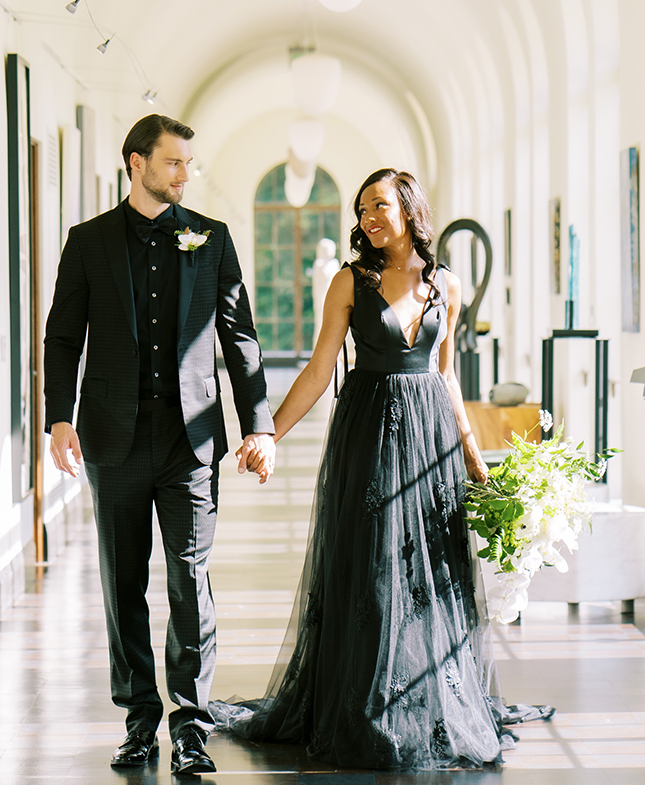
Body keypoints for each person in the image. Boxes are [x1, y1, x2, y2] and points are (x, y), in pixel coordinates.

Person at [213, 168, 551, 770]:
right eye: (362, 208)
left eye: (379, 206)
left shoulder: (446, 285)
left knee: (430, 573)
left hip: (431, 442)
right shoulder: (349, 281)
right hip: (367, 435)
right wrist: (265, 431)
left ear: (408, 210)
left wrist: (475, 463)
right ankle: (365, 705)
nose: (368, 217)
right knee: (370, 567)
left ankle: (428, 698)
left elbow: (447, 377)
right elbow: (319, 370)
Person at [44, 114, 277, 776]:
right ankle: (138, 723)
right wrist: (60, 418)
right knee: (122, 586)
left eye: (187, 164)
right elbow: (63, 338)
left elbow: (241, 339)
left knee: (189, 580)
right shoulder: (88, 243)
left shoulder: (212, 239)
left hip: (191, 442)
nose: (183, 173)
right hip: (111, 442)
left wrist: (258, 423)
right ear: (136, 163)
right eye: (173, 162)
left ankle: (192, 728)